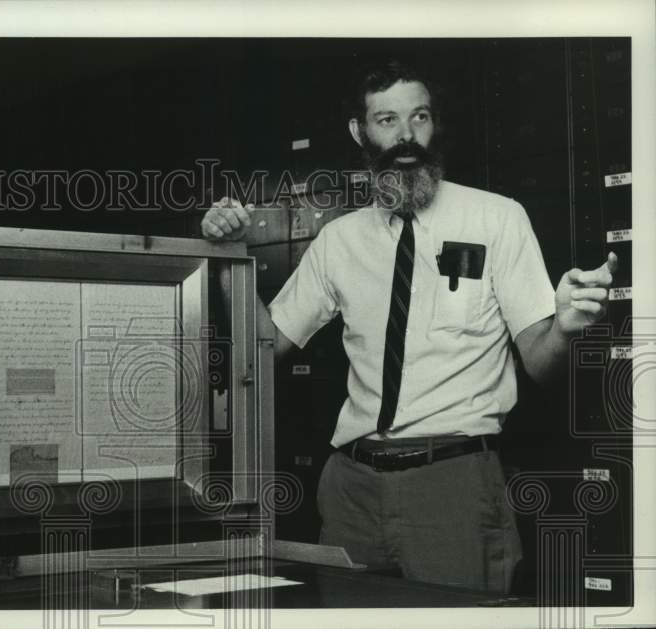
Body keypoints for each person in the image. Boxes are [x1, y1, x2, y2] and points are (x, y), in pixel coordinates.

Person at [200, 60, 617, 593]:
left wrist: (564, 329)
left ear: (434, 125)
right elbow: (262, 352)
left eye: (418, 117)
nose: (406, 138)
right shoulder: (339, 240)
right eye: (387, 120)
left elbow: (540, 360)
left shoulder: (497, 218)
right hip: (350, 486)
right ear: (360, 132)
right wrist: (229, 256)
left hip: (453, 484)